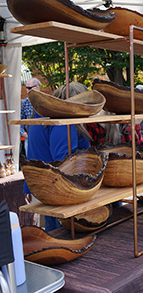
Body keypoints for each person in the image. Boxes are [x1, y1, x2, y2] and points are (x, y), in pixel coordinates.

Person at [23, 82, 91, 231]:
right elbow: (64, 161)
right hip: (57, 186)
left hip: (45, 183)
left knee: (53, 228)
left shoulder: (43, 114)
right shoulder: (64, 121)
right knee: (59, 231)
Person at [20, 77, 41, 156]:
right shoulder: (25, 102)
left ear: (37, 87)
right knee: (31, 161)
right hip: (29, 137)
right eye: (26, 88)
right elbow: (20, 120)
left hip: (44, 137)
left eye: (29, 88)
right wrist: (23, 133)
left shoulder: (47, 101)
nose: (27, 90)